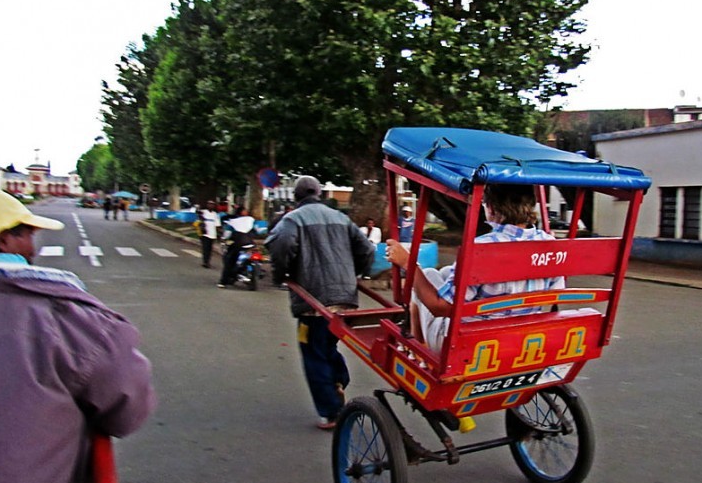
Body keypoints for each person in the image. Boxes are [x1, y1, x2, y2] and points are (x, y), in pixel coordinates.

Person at [0, 187, 157, 483]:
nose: (34, 243)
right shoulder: (67, 318)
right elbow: (129, 410)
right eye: (27, 233)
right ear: (3, 240)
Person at [386, 184, 565, 353]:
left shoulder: (481, 248)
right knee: (437, 274)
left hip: (469, 345)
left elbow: (440, 307)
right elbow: (556, 294)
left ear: (491, 208)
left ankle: (420, 344)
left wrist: (408, 264)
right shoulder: (550, 243)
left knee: (424, 275)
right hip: (522, 338)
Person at [266, 176, 376, 429]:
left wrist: (280, 274)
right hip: (345, 299)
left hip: (313, 301)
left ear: (296, 197)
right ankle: (338, 379)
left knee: (313, 352)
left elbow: (281, 245)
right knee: (327, 343)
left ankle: (331, 412)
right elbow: (368, 250)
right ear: (319, 193)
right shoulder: (341, 218)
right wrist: (353, 274)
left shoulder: (292, 220)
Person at [218, 205, 254, 287]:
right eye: (245, 210)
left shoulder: (233, 221)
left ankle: (223, 281)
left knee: (228, 261)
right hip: (250, 244)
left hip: (237, 244)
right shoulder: (250, 220)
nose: (246, 212)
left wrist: (224, 238)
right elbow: (256, 231)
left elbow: (227, 234)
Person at [198, 199, 221, 268]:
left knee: (210, 249)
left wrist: (219, 233)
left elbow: (217, 225)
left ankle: (208, 261)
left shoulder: (215, 214)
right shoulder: (204, 212)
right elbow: (198, 215)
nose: (210, 205)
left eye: (212, 204)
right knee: (205, 248)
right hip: (205, 233)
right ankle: (205, 262)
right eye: (209, 204)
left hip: (212, 233)